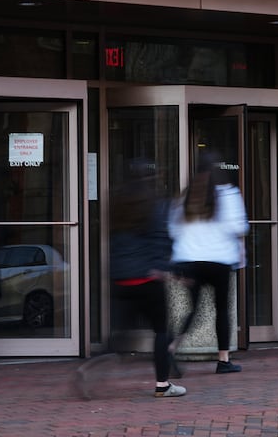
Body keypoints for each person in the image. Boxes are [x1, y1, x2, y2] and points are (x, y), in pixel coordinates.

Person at [109, 162, 186, 398]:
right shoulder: (157, 205)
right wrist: (168, 269)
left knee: (123, 330)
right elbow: (162, 239)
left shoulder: (119, 204)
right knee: (162, 331)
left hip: (122, 277)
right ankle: (162, 384)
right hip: (148, 277)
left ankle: (99, 359)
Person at [168, 151, 249, 374]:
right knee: (222, 309)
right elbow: (238, 227)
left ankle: (171, 347)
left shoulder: (185, 195)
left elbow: (173, 230)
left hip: (189, 260)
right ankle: (223, 360)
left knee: (192, 309)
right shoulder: (228, 194)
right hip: (219, 260)